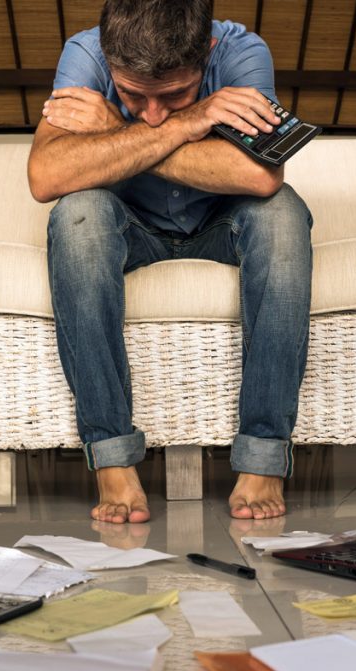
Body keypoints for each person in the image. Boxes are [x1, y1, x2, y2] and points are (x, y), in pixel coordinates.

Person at [28, 0, 312, 524]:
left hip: (219, 227)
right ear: (109, 59)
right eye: (134, 96)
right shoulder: (85, 54)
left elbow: (259, 177)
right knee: (77, 215)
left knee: (282, 212)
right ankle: (111, 458)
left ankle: (263, 457)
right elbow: (47, 175)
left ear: (205, 53)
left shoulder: (242, 52)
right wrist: (189, 122)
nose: (154, 112)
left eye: (178, 95)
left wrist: (114, 126)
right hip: (130, 228)